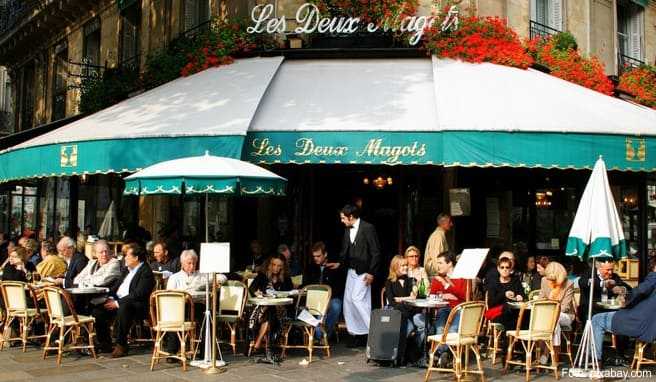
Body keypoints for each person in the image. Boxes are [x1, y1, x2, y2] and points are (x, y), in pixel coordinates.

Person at [327, 204, 382, 347]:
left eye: (343, 218)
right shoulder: (347, 230)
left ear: (351, 216)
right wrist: (339, 263)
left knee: (358, 300)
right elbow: (345, 250)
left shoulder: (368, 228)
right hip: (351, 271)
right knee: (348, 303)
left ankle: (374, 333)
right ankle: (355, 334)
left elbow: (376, 252)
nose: (342, 221)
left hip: (364, 272)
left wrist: (371, 272)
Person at [592, 256, 656, 369]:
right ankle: (615, 355)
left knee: (597, 319)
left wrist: (626, 299)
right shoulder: (589, 276)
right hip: (651, 325)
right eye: (607, 270)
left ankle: (596, 360)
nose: (610, 272)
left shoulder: (654, 277)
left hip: (639, 323)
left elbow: (640, 290)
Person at [92, 243, 155, 356]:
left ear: (136, 258)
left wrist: (117, 303)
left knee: (124, 308)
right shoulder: (127, 270)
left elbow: (138, 294)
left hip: (136, 305)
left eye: (127, 255)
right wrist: (109, 297)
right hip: (119, 300)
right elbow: (116, 287)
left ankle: (121, 344)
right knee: (98, 311)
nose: (124, 258)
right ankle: (105, 343)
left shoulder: (146, 272)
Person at [165, 249, 207, 362]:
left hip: (197, 305)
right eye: (189, 263)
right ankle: (172, 351)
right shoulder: (175, 277)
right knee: (175, 316)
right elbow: (169, 296)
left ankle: (205, 351)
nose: (192, 266)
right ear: (182, 263)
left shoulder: (202, 276)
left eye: (194, 263)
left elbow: (222, 277)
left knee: (208, 316)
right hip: (178, 306)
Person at [248, 254, 293, 353]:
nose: (276, 268)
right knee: (269, 311)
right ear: (269, 265)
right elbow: (251, 288)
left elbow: (290, 292)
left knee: (270, 311)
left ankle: (257, 343)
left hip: (280, 311)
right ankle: (261, 344)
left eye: (279, 266)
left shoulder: (286, 278)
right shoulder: (262, 275)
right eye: (274, 265)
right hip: (262, 310)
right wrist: (256, 292)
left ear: (283, 267)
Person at [303, 241, 344, 341]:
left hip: (331, 298)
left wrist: (328, 300)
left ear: (325, 254)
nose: (316, 258)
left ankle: (324, 334)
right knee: (305, 310)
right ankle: (321, 336)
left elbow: (338, 288)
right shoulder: (310, 268)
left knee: (336, 305)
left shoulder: (334, 268)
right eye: (314, 256)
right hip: (313, 299)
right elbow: (305, 285)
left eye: (318, 256)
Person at [384, 255, 421, 365]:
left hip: (411, 312)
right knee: (409, 328)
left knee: (425, 325)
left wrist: (401, 299)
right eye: (403, 265)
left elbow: (414, 297)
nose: (406, 267)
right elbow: (392, 302)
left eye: (406, 265)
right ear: (395, 267)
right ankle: (399, 355)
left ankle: (417, 355)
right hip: (398, 313)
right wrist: (406, 300)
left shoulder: (411, 280)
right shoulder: (389, 282)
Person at [538, 261, 576, 364]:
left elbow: (565, 307)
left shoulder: (568, 284)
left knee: (555, 318)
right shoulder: (544, 281)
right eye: (549, 279)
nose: (551, 282)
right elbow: (541, 298)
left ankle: (546, 352)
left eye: (553, 280)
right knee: (552, 321)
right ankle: (554, 352)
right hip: (548, 315)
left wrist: (551, 309)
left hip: (565, 315)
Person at [487, 257, 525, 348]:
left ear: (511, 269)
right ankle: (508, 348)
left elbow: (522, 294)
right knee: (508, 313)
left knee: (524, 316)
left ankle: (520, 348)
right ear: (498, 268)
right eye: (502, 267)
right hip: (496, 312)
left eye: (507, 267)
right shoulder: (494, 282)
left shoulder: (515, 281)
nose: (504, 270)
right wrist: (504, 294)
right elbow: (491, 302)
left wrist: (520, 296)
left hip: (513, 312)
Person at [429, 253, 467, 333]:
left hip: (458, 309)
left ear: (449, 263)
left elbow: (464, 296)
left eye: (440, 263)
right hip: (443, 309)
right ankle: (441, 346)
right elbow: (432, 296)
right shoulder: (437, 278)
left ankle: (442, 346)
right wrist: (443, 296)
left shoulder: (461, 277)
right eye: (437, 263)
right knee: (440, 330)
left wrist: (446, 285)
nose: (438, 266)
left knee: (452, 331)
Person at [424, 213, 453, 278]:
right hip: (436, 274)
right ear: (443, 223)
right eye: (449, 222)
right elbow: (436, 257)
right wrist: (441, 273)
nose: (451, 224)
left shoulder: (440, 235)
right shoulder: (438, 236)